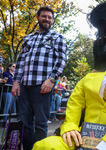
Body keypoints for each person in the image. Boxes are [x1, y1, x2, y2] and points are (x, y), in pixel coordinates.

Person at [11, 6, 67, 150]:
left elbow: (61, 61)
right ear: (38, 18)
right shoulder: (28, 38)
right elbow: (21, 62)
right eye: (44, 16)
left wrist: (52, 79)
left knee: (41, 124)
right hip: (24, 86)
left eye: (49, 17)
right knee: (24, 123)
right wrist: (16, 82)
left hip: (43, 86)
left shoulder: (57, 38)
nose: (47, 19)